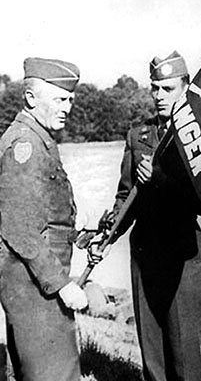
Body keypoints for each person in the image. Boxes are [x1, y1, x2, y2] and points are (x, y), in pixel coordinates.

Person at [109, 51, 201, 381]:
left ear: (185, 87)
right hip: (144, 253)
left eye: (167, 89)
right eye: (155, 88)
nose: (159, 96)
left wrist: (160, 176)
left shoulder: (198, 137)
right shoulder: (139, 136)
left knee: (183, 352)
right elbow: (126, 197)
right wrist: (107, 234)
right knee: (152, 352)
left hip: (182, 254)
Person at [0, 57, 88, 381]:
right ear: (31, 98)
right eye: (60, 99)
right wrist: (62, 285)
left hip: (37, 285)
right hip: (36, 289)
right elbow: (19, 226)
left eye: (71, 100)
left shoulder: (38, 138)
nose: (67, 107)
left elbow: (44, 216)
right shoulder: (25, 145)